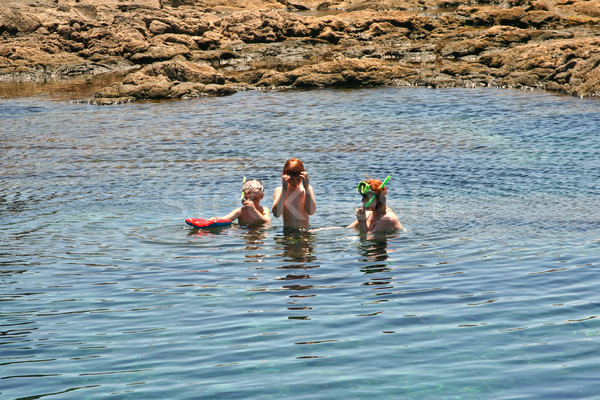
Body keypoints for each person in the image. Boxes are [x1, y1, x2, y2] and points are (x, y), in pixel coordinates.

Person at [272, 158, 316, 229]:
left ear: (303, 175)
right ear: (284, 174)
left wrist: (306, 188)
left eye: (298, 179)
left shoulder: (307, 189)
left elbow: (311, 212)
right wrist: (284, 190)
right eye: (291, 179)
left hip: (305, 231)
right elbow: (276, 214)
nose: (295, 183)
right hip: (288, 232)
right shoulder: (279, 190)